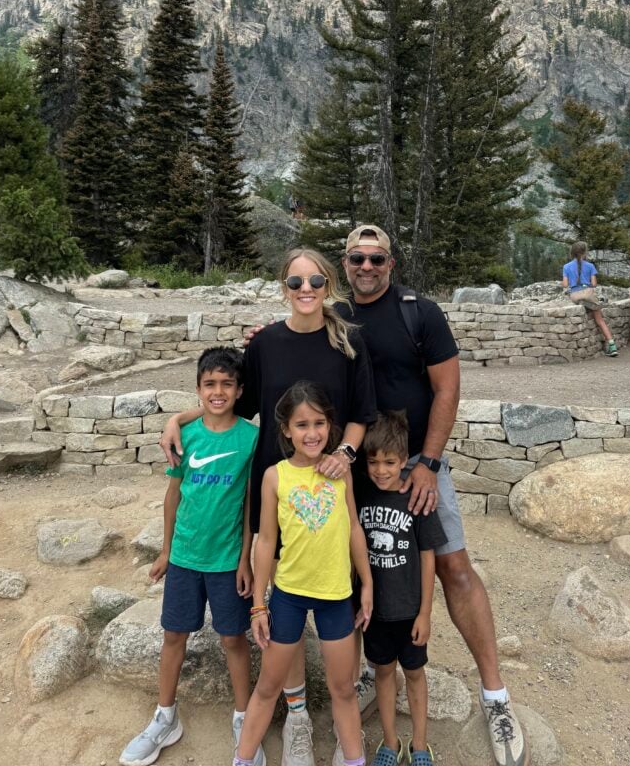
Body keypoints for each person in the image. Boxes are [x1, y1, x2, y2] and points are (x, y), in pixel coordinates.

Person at [160, 248, 377, 766]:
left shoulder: (349, 340)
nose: (307, 289)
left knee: (330, 583)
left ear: (328, 284)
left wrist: (344, 457)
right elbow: (236, 400)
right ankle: (297, 714)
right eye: (296, 280)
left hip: (331, 481)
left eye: (316, 280)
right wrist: (181, 417)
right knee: (283, 594)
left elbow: (362, 412)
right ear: (283, 285)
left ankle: (345, 696)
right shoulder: (266, 344)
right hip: (274, 484)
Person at [336, 225, 528, 766]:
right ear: (345, 263)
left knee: (454, 567)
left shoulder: (418, 312)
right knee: (350, 569)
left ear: (391, 264)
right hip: (355, 466)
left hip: (417, 463)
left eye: (377, 258)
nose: (367, 266)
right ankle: (360, 691)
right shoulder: (332, 314)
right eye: (357, 258)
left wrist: (429, 462)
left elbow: (447, 387)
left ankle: (495, 696)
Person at [120, 347, 263, 766]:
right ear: (198, 388)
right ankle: (165, 717)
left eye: (226, 384)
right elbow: (174, 494)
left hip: (226, 562)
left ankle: (244, 719)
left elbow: (251, 505)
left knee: (234, 639)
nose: (217, 392)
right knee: (173, 636)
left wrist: (245, 559)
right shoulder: (186, 435)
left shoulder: (251, 439)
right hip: (184, 558)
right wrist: (166, 550)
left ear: (239, 390)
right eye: (209, 384)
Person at [233, 381, 372, 766]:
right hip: (290, 595)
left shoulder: (339, 472)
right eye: (301, 425)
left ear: (330, 426)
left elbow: (354, 529)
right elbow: (265, 543)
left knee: (343, 689)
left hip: (335, 595)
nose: (311, 434)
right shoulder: (275, 477)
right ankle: (243, 759)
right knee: (268, 687)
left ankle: (354, 759)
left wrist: (368, 584)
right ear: (286, 430)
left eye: (319, 424)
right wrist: (259, 605)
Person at [359, 412, 447, 766]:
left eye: (390, 462)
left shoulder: (417, 499)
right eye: (374, 462)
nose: (381, 470)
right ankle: (391, 742)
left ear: (403, 459)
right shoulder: (362, 496)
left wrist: (425, 612)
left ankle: (421, 744)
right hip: (375, 611)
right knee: (381, 672)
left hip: (409, 610)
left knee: (413, 673)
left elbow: (429, 558)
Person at [561, 241, 618, 356]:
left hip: (575, 295)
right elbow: (594, 283)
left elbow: (565, 284)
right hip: (588, 293)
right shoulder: (590, 266)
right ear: (585, 252)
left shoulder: (566, 267)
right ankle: (612, 346)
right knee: (600, 320)